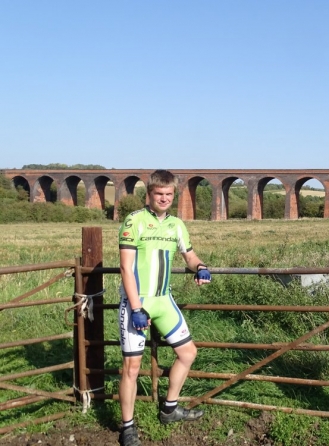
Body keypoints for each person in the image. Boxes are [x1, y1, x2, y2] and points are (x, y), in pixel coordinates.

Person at [117, 169, 212, 446]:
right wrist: (136, 308)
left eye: (169, 194)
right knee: (131, 368)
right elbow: (126, 267)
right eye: (159, 194)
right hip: (138, 303)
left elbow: (189, 255)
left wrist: (200, 267)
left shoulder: (177, 225)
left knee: (188, 353)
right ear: (149, 194)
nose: (164, 198)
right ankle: (127, 427)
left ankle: (169, 409)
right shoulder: (134, 221)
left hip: (163, 300)